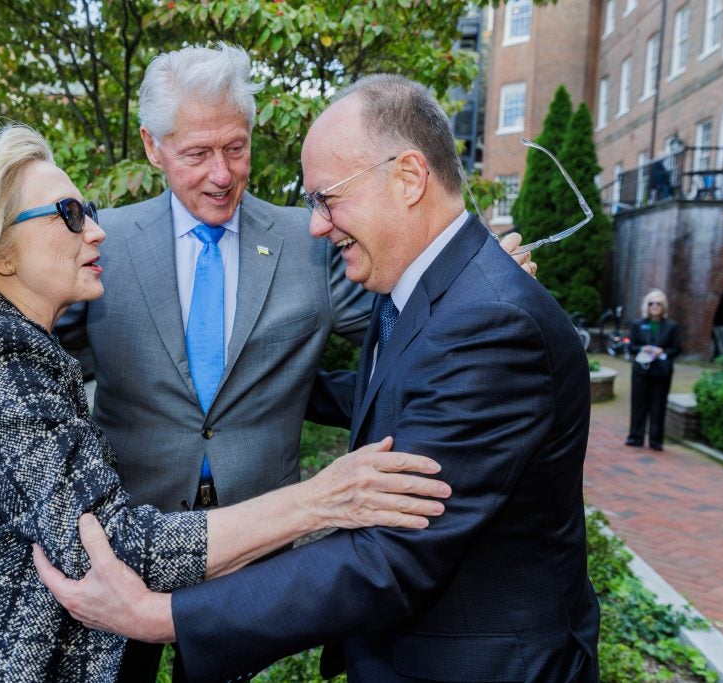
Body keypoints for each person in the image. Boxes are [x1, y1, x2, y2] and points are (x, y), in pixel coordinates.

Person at [0, 43, 534, 680]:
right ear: (154, 147)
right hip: (126, 532)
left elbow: (405, 320)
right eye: (197, 153)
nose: (221, 173)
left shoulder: (309, 240)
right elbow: (27, 350)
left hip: (252, 544)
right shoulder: (96, 242)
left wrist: (470, 275)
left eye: (236, 148)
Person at [0, 126, 454, 682]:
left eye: (92, 211)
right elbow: (118, 547)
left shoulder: (11, 344)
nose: (97, 233)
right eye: (69, 215)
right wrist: (322, 497)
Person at [36, 75, 600, 683]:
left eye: (327, 199)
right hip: (146, 531)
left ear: (409, 177)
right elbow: (389, 383)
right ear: (155, 147)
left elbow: (391, 557)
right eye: (197, 153)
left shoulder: (484, 319)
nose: (316, 226)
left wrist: (159, 615)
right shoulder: (419, 289)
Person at [625, 289, 681, 451]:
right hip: (641, 371)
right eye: (651, 303)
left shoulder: (672, 326)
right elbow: (631, 346)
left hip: (661, 373)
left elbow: (676, 349)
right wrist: (644, 348)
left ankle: (656, 441)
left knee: (658, 406)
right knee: (638, 405)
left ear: (663, 306)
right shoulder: (638, 324)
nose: (655, 306)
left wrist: (662, 351)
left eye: (658, 303)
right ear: (646, 306)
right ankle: (635, 437)